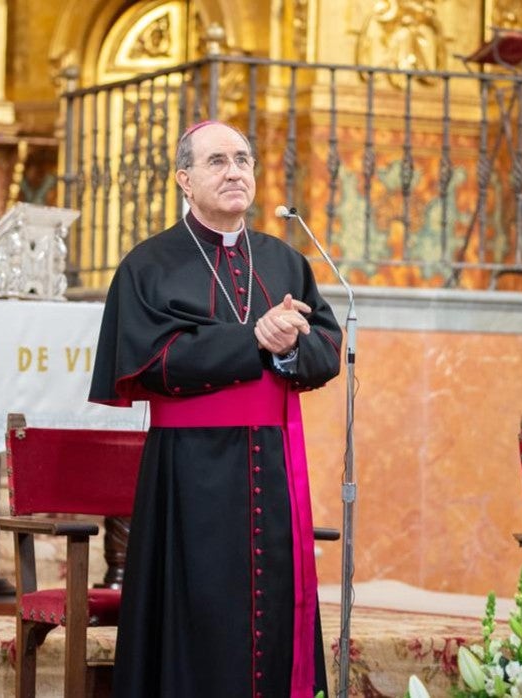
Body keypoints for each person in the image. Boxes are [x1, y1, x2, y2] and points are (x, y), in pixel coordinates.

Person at [90, 121, 342, 697]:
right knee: (199, 608)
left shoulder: (283, 258)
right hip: (190, 471)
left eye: (244, 159)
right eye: (217, 162)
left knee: (275, 604)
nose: (235, 172)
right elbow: (150, 361)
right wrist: (254, 340)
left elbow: (326, 347)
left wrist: (288, 349)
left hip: (275, 467)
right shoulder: (148, 265)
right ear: (184, 179)